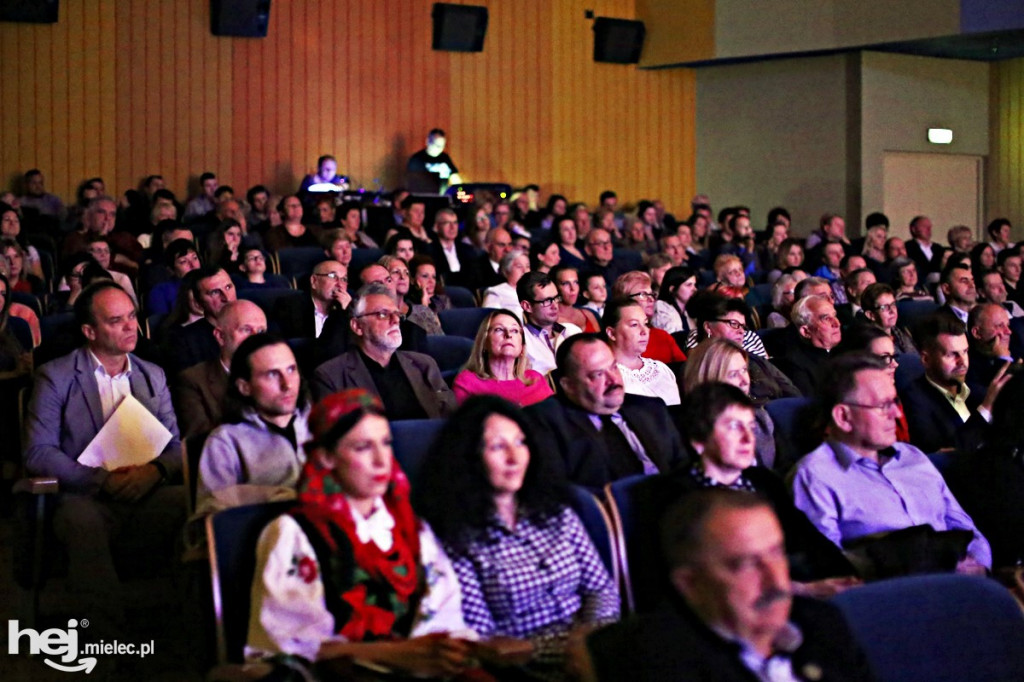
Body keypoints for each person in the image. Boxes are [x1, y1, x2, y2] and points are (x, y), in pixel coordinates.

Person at [246, 389, 474, 678]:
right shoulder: (296, 534)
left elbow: (443, 617)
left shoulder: (409, 527)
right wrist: (396, 655)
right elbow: (291, 648)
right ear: (327, 456)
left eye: (386, 443)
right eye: (363, 447)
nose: (382, 461)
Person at [415, 396, 619, 679]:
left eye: (521, 442)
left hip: (597, 653)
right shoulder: (457, 537)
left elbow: (601, 589)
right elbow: (486, 639)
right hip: (524, 670)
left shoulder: (556, 510)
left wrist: (590, 640)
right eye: (498, 446)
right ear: (469, 456)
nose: (514, 457)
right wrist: (569, 648)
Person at [23, 281, 183, 632]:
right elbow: (38, 451)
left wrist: (155, 472)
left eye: (132, 316)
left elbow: (176, 447)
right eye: (116, 320)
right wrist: (101, 480)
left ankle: (195, 628)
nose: (131, 327)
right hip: (86, 496)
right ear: (89, 331)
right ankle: (106, 637)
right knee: (83, 522)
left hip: (147, 490)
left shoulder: (152, 374)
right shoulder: (56, 376)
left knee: (198, 501)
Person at [583, 489, 875, 682]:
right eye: (746, 564)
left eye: (776, 553)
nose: (776, 579)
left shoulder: (823, 624)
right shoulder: (659, 664)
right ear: (690, 583)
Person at [792, 353, 992, 577]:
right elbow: (833, 571)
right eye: (883, 405)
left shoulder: (912, 457)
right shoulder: (815, 477)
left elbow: (966, 528)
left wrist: (980, 569)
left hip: (967, 585)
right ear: (843, 417)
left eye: (895, 402)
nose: (896, 414)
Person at [526, 333, 686, 490]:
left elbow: (684, 470)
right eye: (598, 374)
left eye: (614, 367)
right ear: (569, 385)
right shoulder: (548, 423)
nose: (614, 380)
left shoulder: (650, 409)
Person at [195, 334, 311, 516]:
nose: (287, 384)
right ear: (244, 387)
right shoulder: (226, 440)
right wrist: (272, 496)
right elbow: (210, 519)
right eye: (273, 374)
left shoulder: (319, 425)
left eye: (291, 370)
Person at [312, 283, 456, 418]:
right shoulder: (331, 375)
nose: (395, 320)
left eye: (397, 314)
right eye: (382, 314)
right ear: (357, 326)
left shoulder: (424, 365)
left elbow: (452, 420)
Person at [899, 314, 1005, 454]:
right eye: (951, 355)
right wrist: (985, 409)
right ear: (926, 359)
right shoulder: (914, 400)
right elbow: (944, 454)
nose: (962, 362)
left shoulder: (977, 391)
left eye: (965, 352)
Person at [174, 299, 267, 438]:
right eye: (246, 330)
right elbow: (201, 442)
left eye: (261, 331)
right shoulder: (192, 381)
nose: (255, 339)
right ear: (221, 337)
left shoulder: (281, 373)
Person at [452, 309, 554, 407]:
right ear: (484, 343)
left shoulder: (535, 379)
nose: (508, 335)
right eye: (499, 329)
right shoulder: (467, 383)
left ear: (522, 347)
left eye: (514, 330)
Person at [603, 299, 680, 406]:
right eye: (634, 325)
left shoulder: (661, 370)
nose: (644, 331)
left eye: (646, 324)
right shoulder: (606, 377)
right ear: (611, 333)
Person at [610, 271, 687, 365]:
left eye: (651, 294)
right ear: (624, 300)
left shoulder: (663, 337)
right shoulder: (612, 341)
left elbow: (686, 372)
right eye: (643, 295)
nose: (651, 299)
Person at [774, 295, 842, 395]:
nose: (837, 323)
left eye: (835, 316)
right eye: (826, 318)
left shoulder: (851, 349)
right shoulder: (796, 366)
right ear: (806, 331)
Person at [518, 272, 582, 377]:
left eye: (556, 298)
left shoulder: (573, 331)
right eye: (547, 301)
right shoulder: (521, 341)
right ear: (527, 306)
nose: (555, 306)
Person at [380, 254, 443, 335]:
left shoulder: (422, 311)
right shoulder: (379, 314)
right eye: (396, 272)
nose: (403, 276)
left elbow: (441, 342)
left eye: (406, 273)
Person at [860, 283, 917, 354]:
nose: (892, 311)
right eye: (885, 307)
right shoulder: (870, 344)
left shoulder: (901, 333)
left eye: (893, 304)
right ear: (871, 315)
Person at [427, 206, 474, 288]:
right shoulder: (429, 251)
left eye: (455, 223)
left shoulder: (468, 250)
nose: (452, 227)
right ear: (437, 227)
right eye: (447, 223)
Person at [406, 128, 463, 192]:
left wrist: (460, 189)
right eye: (436, 144)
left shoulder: (445, 158)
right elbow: (414, 182)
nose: (439, 148)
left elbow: (455, 177)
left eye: (442, 146)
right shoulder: (417, 159)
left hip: (443, 196)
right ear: (427, 141)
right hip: (424, 197)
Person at [481, 249, 530, 321]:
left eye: (527, 266)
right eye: (519, 266)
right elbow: (489, 319)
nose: (525, 270)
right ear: (507, 271)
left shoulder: (534, 292)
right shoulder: (496, 292)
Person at [551, 264, 600, 333]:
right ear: (555, 286)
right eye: (565, 283)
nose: (573, 289)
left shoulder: (588, 315)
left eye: (576, 282)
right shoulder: (551, 320)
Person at [651, 266, 697, 334]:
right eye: (689, 285)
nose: (694, 289)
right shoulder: (662, 309)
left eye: (694, 285)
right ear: (672, 289)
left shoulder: (687, 312)